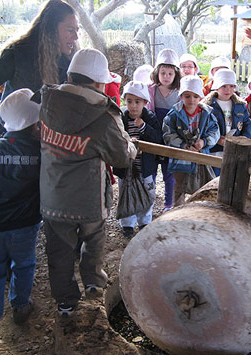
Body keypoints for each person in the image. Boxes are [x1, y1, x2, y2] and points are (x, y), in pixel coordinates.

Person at [39, 48, 137, 317]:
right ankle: (93, 283)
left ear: (70, 75)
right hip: (88, 200)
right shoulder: (103, 116)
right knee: (92, 241)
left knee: (58, 251)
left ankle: (66, 303)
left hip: (53, 197)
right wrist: (131, 146)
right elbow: (121, 157)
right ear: (99, 83)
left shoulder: (47, 102)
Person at [0, 0, 79, 134]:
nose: (76, 37)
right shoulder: (18, 53)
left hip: (47, 140)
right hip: (11, 139)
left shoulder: (70, 60)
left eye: (77, 30)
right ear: (51, 29)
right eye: (70, 30)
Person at [0, 89, 41, 324]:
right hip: (25, 223)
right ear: (33, 125)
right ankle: (21, 305)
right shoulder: (40, 150)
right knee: (24, 264)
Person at [113, 81, 162, 237]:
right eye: (129, 101)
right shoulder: (121, 119)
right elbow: (115, 139)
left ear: (145, 103)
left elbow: (157, 139)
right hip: (127, 167)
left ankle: (144, 221)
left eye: (137, 102)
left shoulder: (150, 119)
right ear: (124, 101)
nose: (133, 106)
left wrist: (144, 128)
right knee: (126, 193)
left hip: (145, 167)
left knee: (148, 194)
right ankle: (127, 223)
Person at [163, 75, 220, 206]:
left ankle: (201, 210)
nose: (191, 100)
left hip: (201, 155)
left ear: (200, 97)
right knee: (179, 186)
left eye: (195, 96)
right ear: (181, 96)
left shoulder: (207, 113)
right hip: (181, 156)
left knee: (203, 185)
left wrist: (204, 142)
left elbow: (215, 131)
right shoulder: (174, 114)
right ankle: (178, 211)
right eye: (187, 96)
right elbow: (168, 133)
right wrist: (183, 145)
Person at [147, 49, 181, 211]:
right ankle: (149, 202)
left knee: (169, 173)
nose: (166, 76)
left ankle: (169, 203)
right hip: (153, 134)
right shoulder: (150, 90)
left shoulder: (179, 93)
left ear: (175, 75)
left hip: (171, 138)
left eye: (170, 73)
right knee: (151, 171)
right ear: (157, 73)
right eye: (163, 73)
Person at [202, 69, 251, 175]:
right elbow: (203, 126)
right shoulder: (207, 105)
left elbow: (247, 123)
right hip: (214, 149)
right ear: (217, 86)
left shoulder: (240, 105)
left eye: (231, 86)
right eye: (224, 86)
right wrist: (215, 139)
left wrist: (243, 138)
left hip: (234, 149)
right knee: (213, 178)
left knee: (231, 176)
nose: (228, 90)